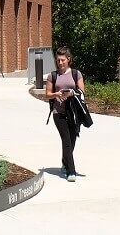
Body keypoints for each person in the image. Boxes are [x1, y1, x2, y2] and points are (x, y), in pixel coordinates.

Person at [45, 46, 85, 182]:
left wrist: (72, 93)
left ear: (68, 59)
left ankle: (64, 161)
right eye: (58, 60)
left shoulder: (76, 74)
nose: (60, 62)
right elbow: (47, 94)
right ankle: (71, 171)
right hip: (59, 113)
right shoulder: (53, 76)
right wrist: (56, 94)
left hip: (73, 112)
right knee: (66, 141)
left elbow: (82, 92)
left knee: (72, 140)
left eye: (62, 60)